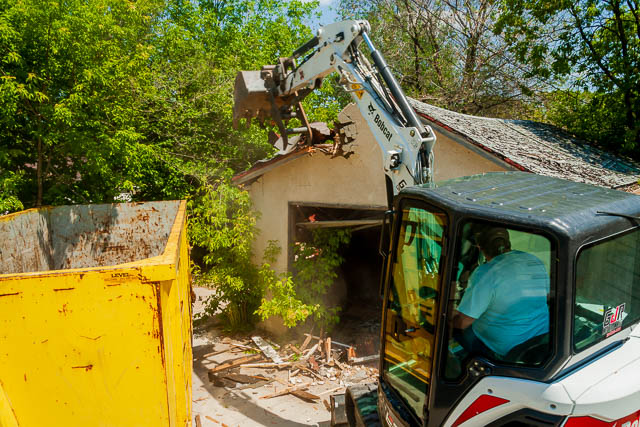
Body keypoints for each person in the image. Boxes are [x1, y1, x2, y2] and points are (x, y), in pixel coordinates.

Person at [452, 225, 549, 359]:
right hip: (542, 334)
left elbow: (463, 323)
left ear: (480, 248)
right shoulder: (532, 259)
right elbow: (546, 295)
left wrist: (447, 317)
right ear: (508, 242)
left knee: (454, 330)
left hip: (507, 347)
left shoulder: (485, 273)